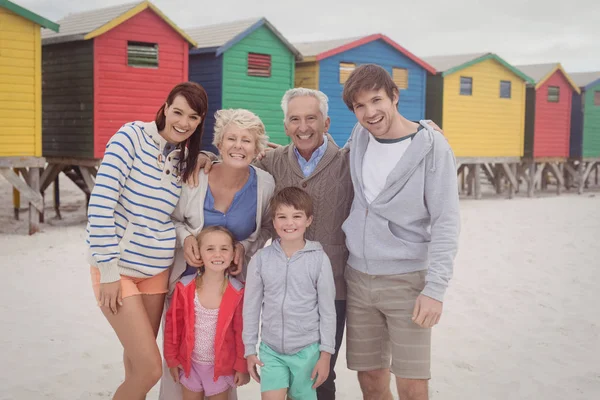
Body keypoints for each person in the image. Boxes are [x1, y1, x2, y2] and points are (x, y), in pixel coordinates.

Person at [195, 88, 353, 400]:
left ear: (327, 122)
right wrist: (209, 157)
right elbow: (239, 161)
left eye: (311, 118)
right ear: (285, 126)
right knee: (280, 375)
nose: (303, 126)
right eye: (295, 119)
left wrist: (424, 127)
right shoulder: (273, 163)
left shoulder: (347, 162)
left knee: (321, 377)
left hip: (330, 285)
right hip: (280, 286)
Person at [341, 64, 461, 400]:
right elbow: (327, 163)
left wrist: (435, 289)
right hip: (358, 278)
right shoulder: (359, 136)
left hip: (407, 282)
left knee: (412, 385)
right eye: (359, 106)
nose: (370, 112)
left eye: (376, 100)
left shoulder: (432, 147)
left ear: (394, 96)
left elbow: (446, 221)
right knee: (371, 380)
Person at [86, 82, 209, 399]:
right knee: (151, 369)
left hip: (157, 272)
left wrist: (205, 156)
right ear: (166, 107)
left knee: (135, 366)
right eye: (178, 112)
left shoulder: (185, 157)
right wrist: (109, 272)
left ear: (200, 121)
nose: (183, 123)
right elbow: (100, 204)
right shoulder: (131, 137)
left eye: (193, 117)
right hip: (118, 270)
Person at [160, 108, 276, 400]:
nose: (238, 146)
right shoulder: (197, 174)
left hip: (231, 287)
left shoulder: (264, 184)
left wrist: (243, 247)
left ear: (257, 148)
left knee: (223, 358)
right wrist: (186, 237)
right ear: (220, 144)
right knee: (183, 362)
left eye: (247, 141)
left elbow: (263, 229)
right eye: (232, 138)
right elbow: (171, 217)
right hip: (187, 284)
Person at [243, 186, 336, 400]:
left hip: (307, 351)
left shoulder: (319, 259)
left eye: (297, 216)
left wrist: (325, 355)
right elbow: (251, 308)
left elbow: (328, 311)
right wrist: (250, 349)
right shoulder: (261, 259)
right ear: (274, 221)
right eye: (282, 217)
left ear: (308, 220)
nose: (289, 223)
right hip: (271, 350)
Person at [164, 226, 250, 400]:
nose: (217, 254)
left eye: (224, 249)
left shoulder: (238, 292)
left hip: (220, 369)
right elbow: (173, 327)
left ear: (234, 254)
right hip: (190, 366)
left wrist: (242, 365)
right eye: (210, 249)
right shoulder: (185, 288)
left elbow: (242, 332)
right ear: (199, 254)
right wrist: (172, 359)